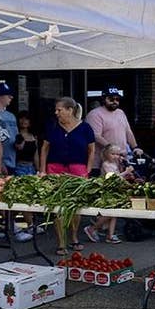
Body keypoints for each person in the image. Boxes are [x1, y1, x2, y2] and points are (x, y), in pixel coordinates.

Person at [39, 97, 96, 256]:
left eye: (59, 110)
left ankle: (74, 236)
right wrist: (42, 170)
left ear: (70, 110)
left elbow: (91, 150)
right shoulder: (53, 127)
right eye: (56, 110)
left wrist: (88, 170)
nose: (56, 113)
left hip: (77, 169)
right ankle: (61, 242)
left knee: (75, 205)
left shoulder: (85, 128)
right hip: (55, 168)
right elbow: (44, 148)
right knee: (57, 205)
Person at [85, 86, 141, 177]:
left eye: (117, 99)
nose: (115, 101)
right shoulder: (95, 114)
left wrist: (135, 147)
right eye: (111, 99)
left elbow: (128, 131)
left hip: (119, 162)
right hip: (99, 163)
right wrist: (113, 149)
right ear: (103, 99)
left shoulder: (121, 113)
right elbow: (96, 136)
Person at [84, 144, 133, 244]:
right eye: (113, 154)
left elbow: (119, 178)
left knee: (115, 213)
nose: (116, 156)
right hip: (107, 191)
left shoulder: (117, 164)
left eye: (118, 154)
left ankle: (110, 235)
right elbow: (112, 178)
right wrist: (125, 173)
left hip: (115, 190)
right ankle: (92, 228)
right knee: (110, 213)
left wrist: (126, 175)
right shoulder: (106, 164)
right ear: (107, 154)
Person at [0, 82, 18, 175]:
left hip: (12, 160)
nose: (11, 97)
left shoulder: (11, 116)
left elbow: (16, 136)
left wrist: (20, 144)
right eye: (8, 95)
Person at [14, 112, 38, 176]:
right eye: (21, 118)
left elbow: (36, 155)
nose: (23, 121)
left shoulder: (33, 137)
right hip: (19, 167)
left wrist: (38, 169)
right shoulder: (15, 135)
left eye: (26, 119)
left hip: (31, 168)